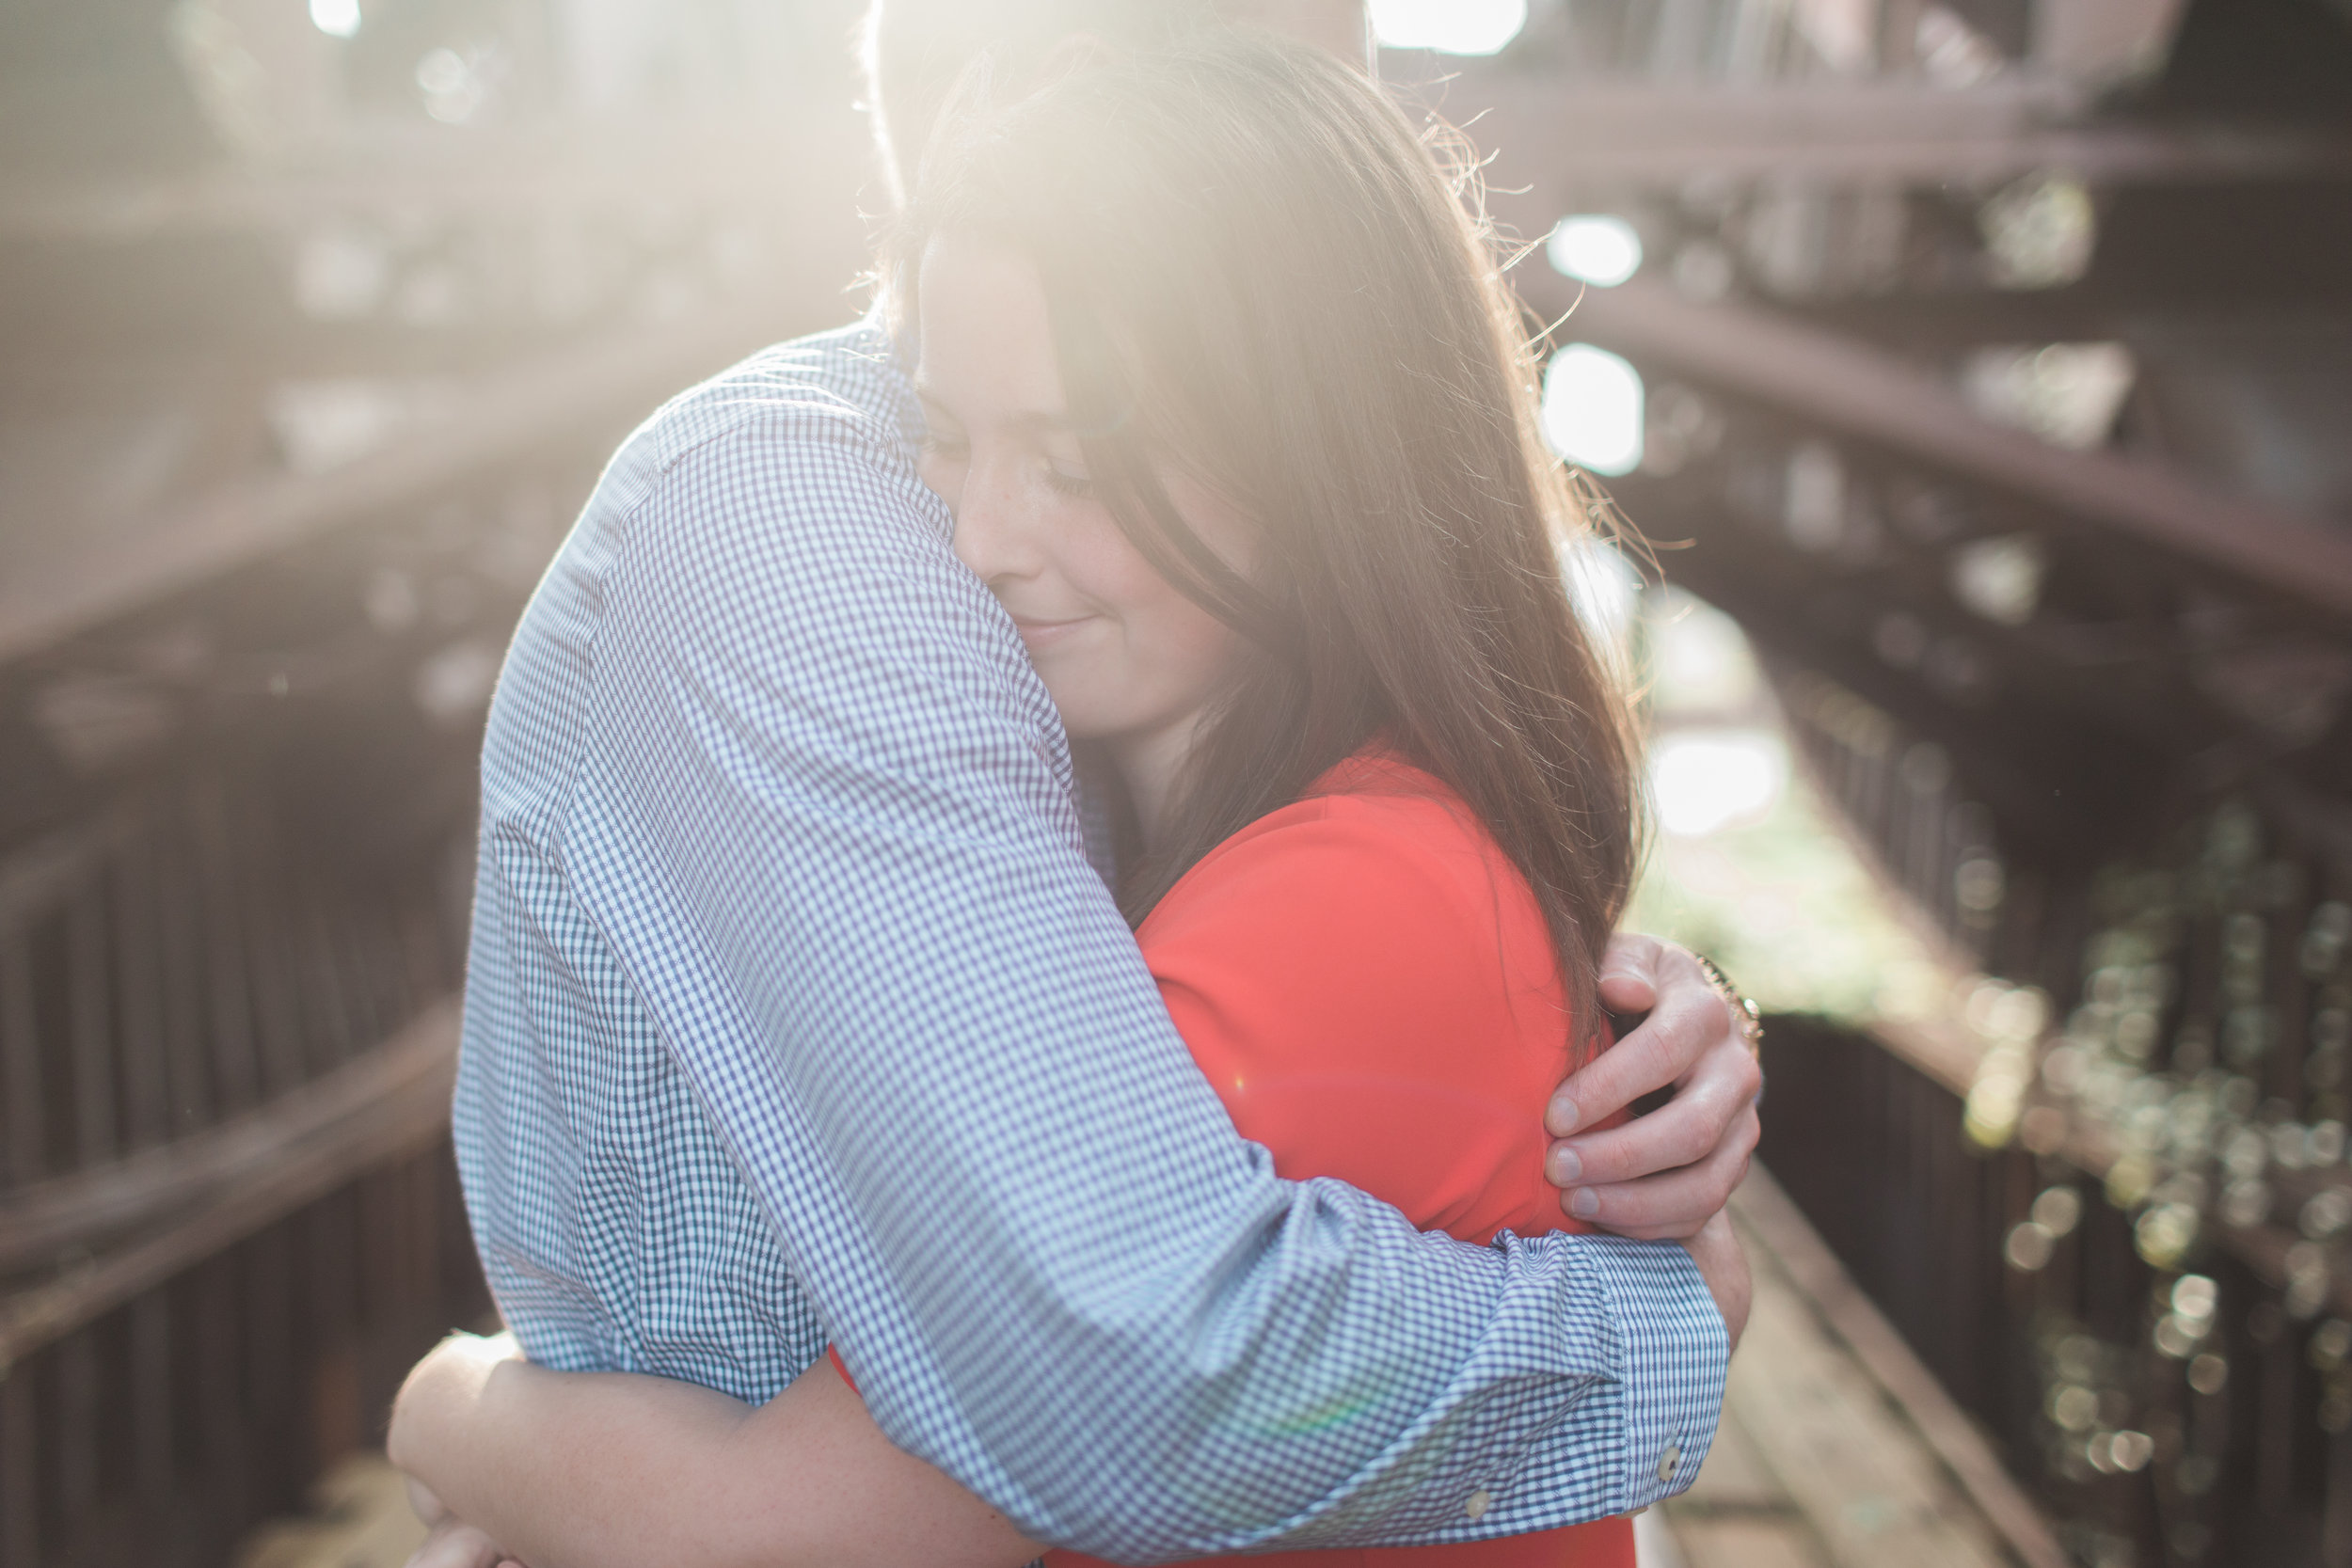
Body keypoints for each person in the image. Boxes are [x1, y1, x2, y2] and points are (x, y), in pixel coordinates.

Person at [399, 5, 1761, 1565]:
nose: (980, 536)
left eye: (1072, 453)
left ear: (1300, 434)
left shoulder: (1337, 891)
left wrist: (457, 1410)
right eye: (958, 441)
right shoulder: (1296, 812)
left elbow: (917, 1490)